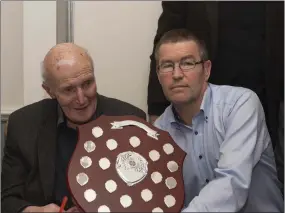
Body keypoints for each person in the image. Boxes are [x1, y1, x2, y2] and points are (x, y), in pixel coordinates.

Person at [147, 0, 284, 192]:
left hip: (266, 100)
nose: (175, 73)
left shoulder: (245, 102)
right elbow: (166, 38)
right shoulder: (164, 127)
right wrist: (157, 112)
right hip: (201, 102)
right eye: (168, 67)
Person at [1, 43, 146, 213]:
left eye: (87, 83)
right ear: (50, 91)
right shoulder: (24, 124)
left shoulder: (130, 121)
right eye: (69, 89)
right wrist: (33, 211)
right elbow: (7, 200)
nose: (82, 98)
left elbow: (142, 195)